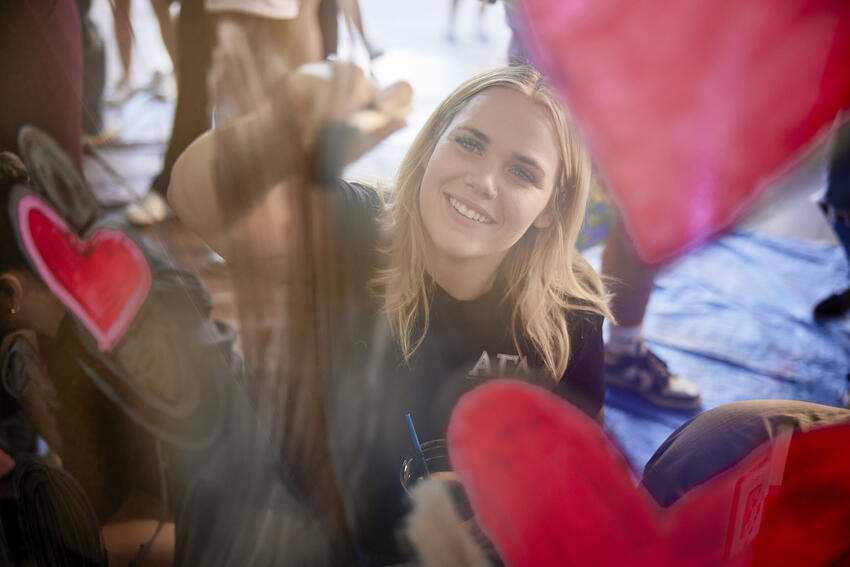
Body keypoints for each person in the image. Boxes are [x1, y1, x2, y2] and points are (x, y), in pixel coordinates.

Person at [169, 63, 612, 562]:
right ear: (429, 149)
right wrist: (280, 125)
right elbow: (195, 199)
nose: (483, 181)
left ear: (552, 207)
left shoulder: (568, 311)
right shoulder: (355, 230)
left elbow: (579, 458)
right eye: (469, 142)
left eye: (521, 171)